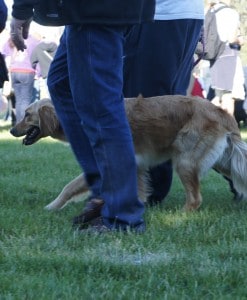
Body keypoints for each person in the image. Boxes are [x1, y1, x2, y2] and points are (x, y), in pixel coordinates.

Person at [10, 1, 155, 233]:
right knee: (61, 83)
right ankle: (105, 191)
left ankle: (121, 216)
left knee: (101, 108)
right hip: (94, 11)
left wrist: (21, 10)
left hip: (94, 10)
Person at [123, 0, 204, 205]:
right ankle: (152, 189)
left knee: (145, 107)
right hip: (183, 15)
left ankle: (150, 192)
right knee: (168, 106)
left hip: (159, 15)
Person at [208, 0, 245, 116]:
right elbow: (231, 38)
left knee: (218, 96)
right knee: (228, 97)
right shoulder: (230, 13)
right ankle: (230, 131)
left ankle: (210, 123)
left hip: (215, 57)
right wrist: (241, 40)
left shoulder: (211, 11)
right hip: (229, 56)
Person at [1, 34, 40, 122]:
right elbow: (38, 57)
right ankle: (24, 123)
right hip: (27, 72)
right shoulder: (33, 39)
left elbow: (4, 55)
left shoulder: (10, 39)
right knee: (25, 99)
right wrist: (39, 72)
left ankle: (19, 122)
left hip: (14, 72)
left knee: (19, 100)